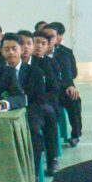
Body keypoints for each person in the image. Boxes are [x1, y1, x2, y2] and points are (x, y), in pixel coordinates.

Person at [2, 33, 58, 175]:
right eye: (6, 49)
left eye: (14, 48)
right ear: (1, 52)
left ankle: (33, 175)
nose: (11, 53)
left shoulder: (35, 71)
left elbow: (39, 99)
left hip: (31, 110)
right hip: (3, 112)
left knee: (34, 130)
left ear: (20, 49)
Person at [45, 23, 82, 147]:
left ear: (57, 38)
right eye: (46, 36)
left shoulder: (64, 53)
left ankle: (76, 134)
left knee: (74, 98)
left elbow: (69, 73)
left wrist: (70, 86)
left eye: (51, 36)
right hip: (44, 92)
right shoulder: (37, 55)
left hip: (61, 89)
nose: (48, 39)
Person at [33, 29, 64, 174]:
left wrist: (42, 102)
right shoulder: (24, 62)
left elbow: (54, 88)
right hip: (27, 103)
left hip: (45, 102)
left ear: (47, 47)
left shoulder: (50, 63)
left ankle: (52, 160)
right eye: (36, 42)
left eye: (42, 43)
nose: (38, 46)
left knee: (49, 115)